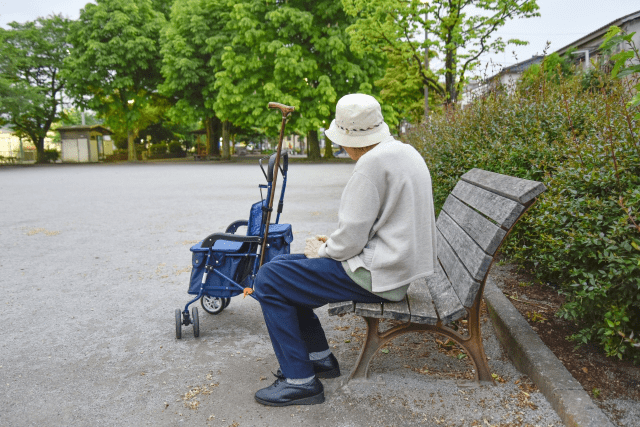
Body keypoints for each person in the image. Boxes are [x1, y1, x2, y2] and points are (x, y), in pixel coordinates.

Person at [252, 93, 437, 407]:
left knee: (270, 278)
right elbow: (369, 229)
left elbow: (349, 241)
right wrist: (330, 247)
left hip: (379, 276)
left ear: (351, 139)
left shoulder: (370, 165)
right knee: (285, 270)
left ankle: (300, 381)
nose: (341, 148)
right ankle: (319, 358)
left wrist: (322, 250)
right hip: (395, 268)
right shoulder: (404, 153)